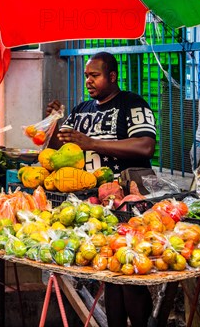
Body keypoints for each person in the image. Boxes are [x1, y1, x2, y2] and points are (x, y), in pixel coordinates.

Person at [47, 51, 157, 327]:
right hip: (92, 205)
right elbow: (56, 152)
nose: (88, 81)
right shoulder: (81, 110)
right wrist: (53, 124)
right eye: (86, 76)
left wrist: (92, 143)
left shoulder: (132, 104)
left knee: (130, 274)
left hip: (128, 203)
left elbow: (145, 145)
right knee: (108, 272)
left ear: (112, 76)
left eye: (94, 76)